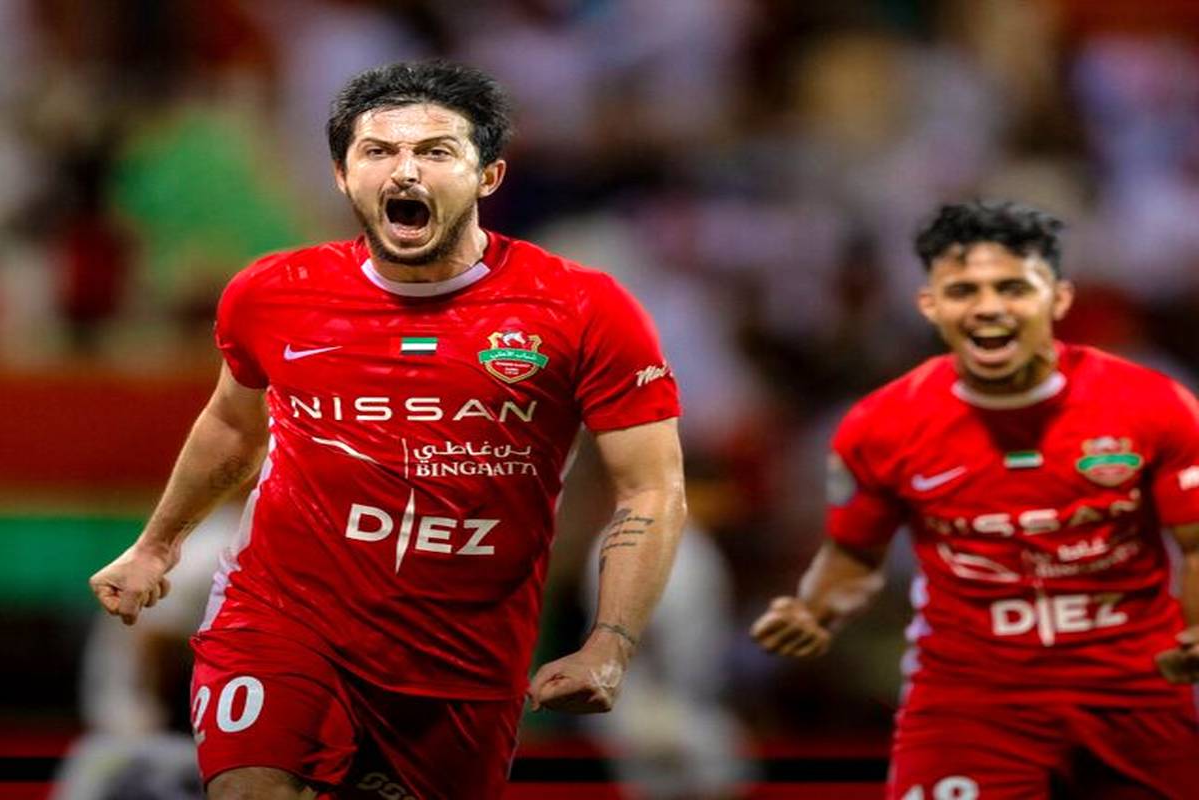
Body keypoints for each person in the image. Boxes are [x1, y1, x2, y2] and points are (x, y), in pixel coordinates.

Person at [88, 60, 686, 800]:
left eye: (435, 152)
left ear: (488, 176)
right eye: (378, 151)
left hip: (463, 658)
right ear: (343, 176)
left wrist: (609, 644)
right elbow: (232, 426)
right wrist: (155, 547)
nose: (405, 172)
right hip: (282, 621)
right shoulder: (271, 294)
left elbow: (650, 488)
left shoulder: (584, 310)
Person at [751, 200, 1199, 799]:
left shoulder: (1155, 406)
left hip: (1132, 694)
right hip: (971, 700)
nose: (988, 309)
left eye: (1013, 288)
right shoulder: (881, 426)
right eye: (964, 291)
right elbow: (854, 554)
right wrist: (815, 609)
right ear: (932, 304)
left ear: (1058, 299)